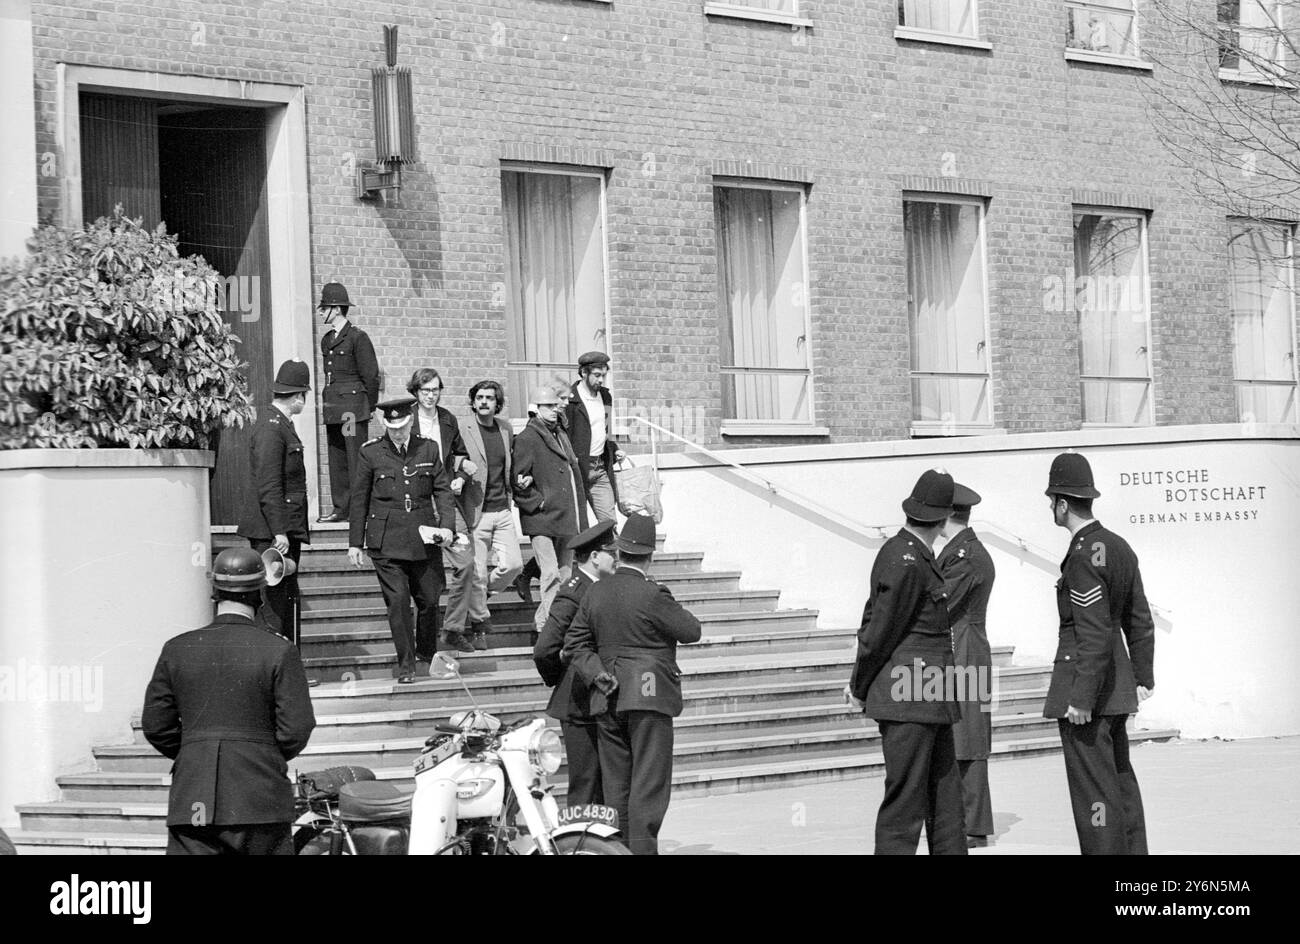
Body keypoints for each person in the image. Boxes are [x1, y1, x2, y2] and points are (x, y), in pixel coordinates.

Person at [141, 547, 316, 855]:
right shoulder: (279, 651)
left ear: (214, 592)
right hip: (260, 801)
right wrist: (260, 755)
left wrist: (197, 752)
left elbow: (156, 726)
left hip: (195, 802)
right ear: (260, 593)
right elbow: (297, 728)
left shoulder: (177, 649)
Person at [845, 469, 965, 855]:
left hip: (930, 698)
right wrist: (859, 686)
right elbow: (878, 631)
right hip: (909, 698)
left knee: (945, 802)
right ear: (944, 518)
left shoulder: (912, 555)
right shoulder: (905, 559)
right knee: (906, 804)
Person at [566, 514, 702, 855]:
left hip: (606, 693)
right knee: (649, 784)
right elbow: (691, 631)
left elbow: (575, 644)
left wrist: (597, 671)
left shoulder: (595, 591)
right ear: (650, 555)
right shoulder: (652, 593)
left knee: (617, 785)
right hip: (649, 692)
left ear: (620, 551)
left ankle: (618, 850)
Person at [1044, 451, 1155, 855]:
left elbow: (1091, 633)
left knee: (1094, 797)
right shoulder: (1118, 546)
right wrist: (1143, 677)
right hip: (1118, 688)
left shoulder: (1083, 555)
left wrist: (1081, 697)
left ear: (1062, 503)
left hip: (1089, 694)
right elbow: (1139, 619)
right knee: (1120, 785)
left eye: (1051, 502)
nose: (1050, 509)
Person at [348, 396, 455, 682]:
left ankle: (426, 652)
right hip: (386, 541)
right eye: (392, 427)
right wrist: (355, 543)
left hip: (424, 537)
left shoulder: (428, 449)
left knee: (430, 599)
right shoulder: (371, 453)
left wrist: (447, 527)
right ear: (385, 425)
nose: (398, 432)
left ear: (411, 421)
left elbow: (443, 491)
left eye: (403, 426)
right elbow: (359, 499)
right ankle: (406, 665)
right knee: (398, 602)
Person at [532, 519, 618, 807]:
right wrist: (562, 677)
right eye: (611, 553)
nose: (617, 558)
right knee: (586, 782)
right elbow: (545, 648)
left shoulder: (604, 586)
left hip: (598, 697)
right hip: (578, 698)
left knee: (604, 783)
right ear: (594, 557)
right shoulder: (574, 590)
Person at [934, 481, 996, 847]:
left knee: (970, 735)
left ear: (946, 513)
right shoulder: (961, 551)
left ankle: (973, 824)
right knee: (961, 733)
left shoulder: (965, 555)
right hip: (961, 644)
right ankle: (966, 819)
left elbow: (942, 602)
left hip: (965, 646)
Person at [236, 359, 311, 647]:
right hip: (273, 532)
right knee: (275, 604)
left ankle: (288, 666)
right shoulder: (272, 427)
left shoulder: (279, 424)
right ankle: (277, 672)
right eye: (303, 395)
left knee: (286, 599)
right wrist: (279, 531)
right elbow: (269, 485)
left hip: (283, 528)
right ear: (297, 397)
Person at [444, 380, 522, 652]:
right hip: (475, 510)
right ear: (473, 401)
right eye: (480, 397)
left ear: (497, 402)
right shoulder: (462, 427)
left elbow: (507, 464)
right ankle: (480, 625)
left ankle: (480, 596)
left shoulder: (506, 429)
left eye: (490, 397)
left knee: (513, 564)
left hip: (502, 509)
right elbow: (447, 457)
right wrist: (461, 466)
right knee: (476, 571)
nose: (484, 402)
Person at [513, 385, 589, 635]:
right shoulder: (527, 438)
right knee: (550, 574)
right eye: (548, 406)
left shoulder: (560, 434)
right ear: (535, 409)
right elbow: (518, 481)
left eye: (556, 405)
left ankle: (544, 622)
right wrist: (539, 502)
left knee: (566, 574)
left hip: (566, 515)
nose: (555, 410)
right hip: (541, 518)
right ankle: (549, 629)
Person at [408, 367, 476, 642]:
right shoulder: (406, 417)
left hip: (445, 499)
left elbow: (461, 453)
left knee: (466, 562)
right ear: (416, 391)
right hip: (417, 502)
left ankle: (453, 627)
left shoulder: (447, 419)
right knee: (422, 572)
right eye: (425, 391)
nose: (431, 396)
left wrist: (459, 477)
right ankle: (422, 636)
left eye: (435, 390)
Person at [317, 281, 379, 522]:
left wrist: (368, 407)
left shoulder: (357, 337)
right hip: (334, 408)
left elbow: (370, 376)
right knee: (337, 458)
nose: (321, 312)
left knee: (354, 458)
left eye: (324, 308)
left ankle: (358, 510)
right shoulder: (327, 340)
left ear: (336, 309)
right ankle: (341, 508)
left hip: (351, 411)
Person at [566, 351, 625, 524]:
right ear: (584, 373)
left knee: (609, 522)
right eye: (597, 375)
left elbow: (606, 428)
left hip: (599, 467)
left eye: (604, 376)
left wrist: (614, 449)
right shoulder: (570, 400)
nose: (601, 380)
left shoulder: (605, 396)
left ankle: (610, 551)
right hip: (576, 469)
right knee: (579, 525)